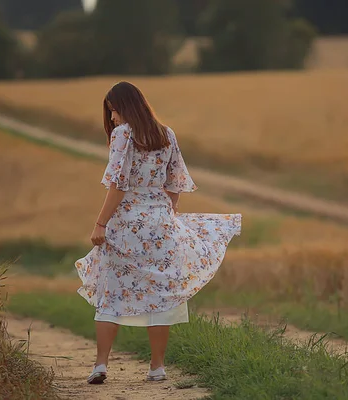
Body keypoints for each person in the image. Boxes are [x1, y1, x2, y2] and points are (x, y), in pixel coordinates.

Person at [74, 81, 242, 384]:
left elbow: (118, 185)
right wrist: (163, 212)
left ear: (123, 108)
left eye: (113, 111)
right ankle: (157, 367)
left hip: (125, 226)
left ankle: (100, 365)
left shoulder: (123, 134)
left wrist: (100, 223)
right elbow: (176, 185)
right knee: (161, 296)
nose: (112, 118)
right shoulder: (167, 134)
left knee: (110, 294)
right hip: (161, 225)